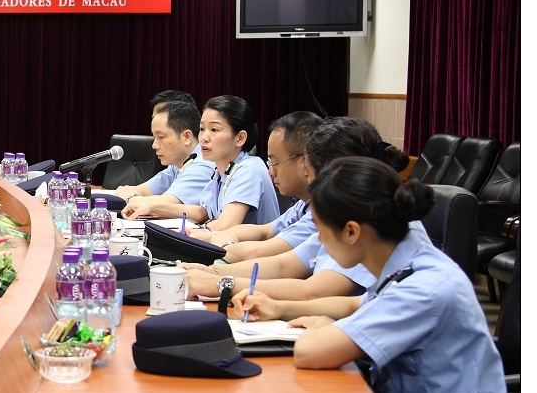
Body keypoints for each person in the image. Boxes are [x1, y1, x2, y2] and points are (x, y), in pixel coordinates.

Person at [240, 157, 513, 393]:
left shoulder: (423, 288)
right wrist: (289, 310)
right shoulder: (406, 260)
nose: (318, 242)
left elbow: (311, 353)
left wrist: (331, 331)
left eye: (320, 229)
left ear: (352, 231)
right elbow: (362, 306)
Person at [182, 116, 416, 305]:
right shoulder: (350, 216)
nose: (308, 180)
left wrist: (221, 283)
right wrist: (212, 272)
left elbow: (313, 292)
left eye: (310, 174)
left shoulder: (369, 227)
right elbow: (284, 266)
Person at [126, 95, 279, 229]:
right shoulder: (219, 171)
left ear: (240, 138)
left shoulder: (249, 169)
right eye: (201, 129)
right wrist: (153, 206)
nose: (204, 137)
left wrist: (199, 229)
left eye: (214, 130)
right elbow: (202, 212)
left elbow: (224, 226)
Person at [190, 111, 324, 261]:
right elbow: (264, 231)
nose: (271, 172)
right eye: (202, 129)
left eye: (275, 162)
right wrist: (211, 236)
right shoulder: (303, 205)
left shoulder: (322, 213)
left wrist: (223, 244)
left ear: (305, 162)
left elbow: (275, 262)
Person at [114, 100, 214, 212]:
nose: (154, 145)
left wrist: (129, 197)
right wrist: (129, 193)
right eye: (154, 137)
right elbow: (143, 190)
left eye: (161, 137)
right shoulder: (179, 163)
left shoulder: (203, 165)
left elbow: (163, 204)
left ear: (186, 137)